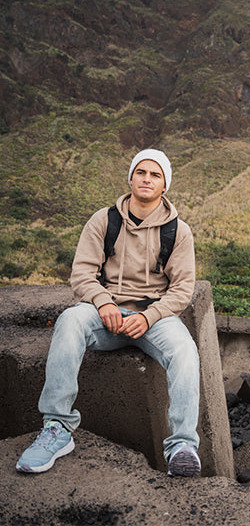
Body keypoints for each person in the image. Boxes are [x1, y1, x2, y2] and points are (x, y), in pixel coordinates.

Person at [16, 149, 202, 477]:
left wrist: (149, 316)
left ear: (165, 185)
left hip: (153, 318)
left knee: (185, 350)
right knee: (70, 321)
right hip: (105, 314)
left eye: (155, 175)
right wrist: (103, 303)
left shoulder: (178, 231)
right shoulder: (104, 220)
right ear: (130, 178)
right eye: (141, 172)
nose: (147, 179)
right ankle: (57, 428)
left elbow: (182, 290)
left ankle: (182, 446)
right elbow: (82, 274)